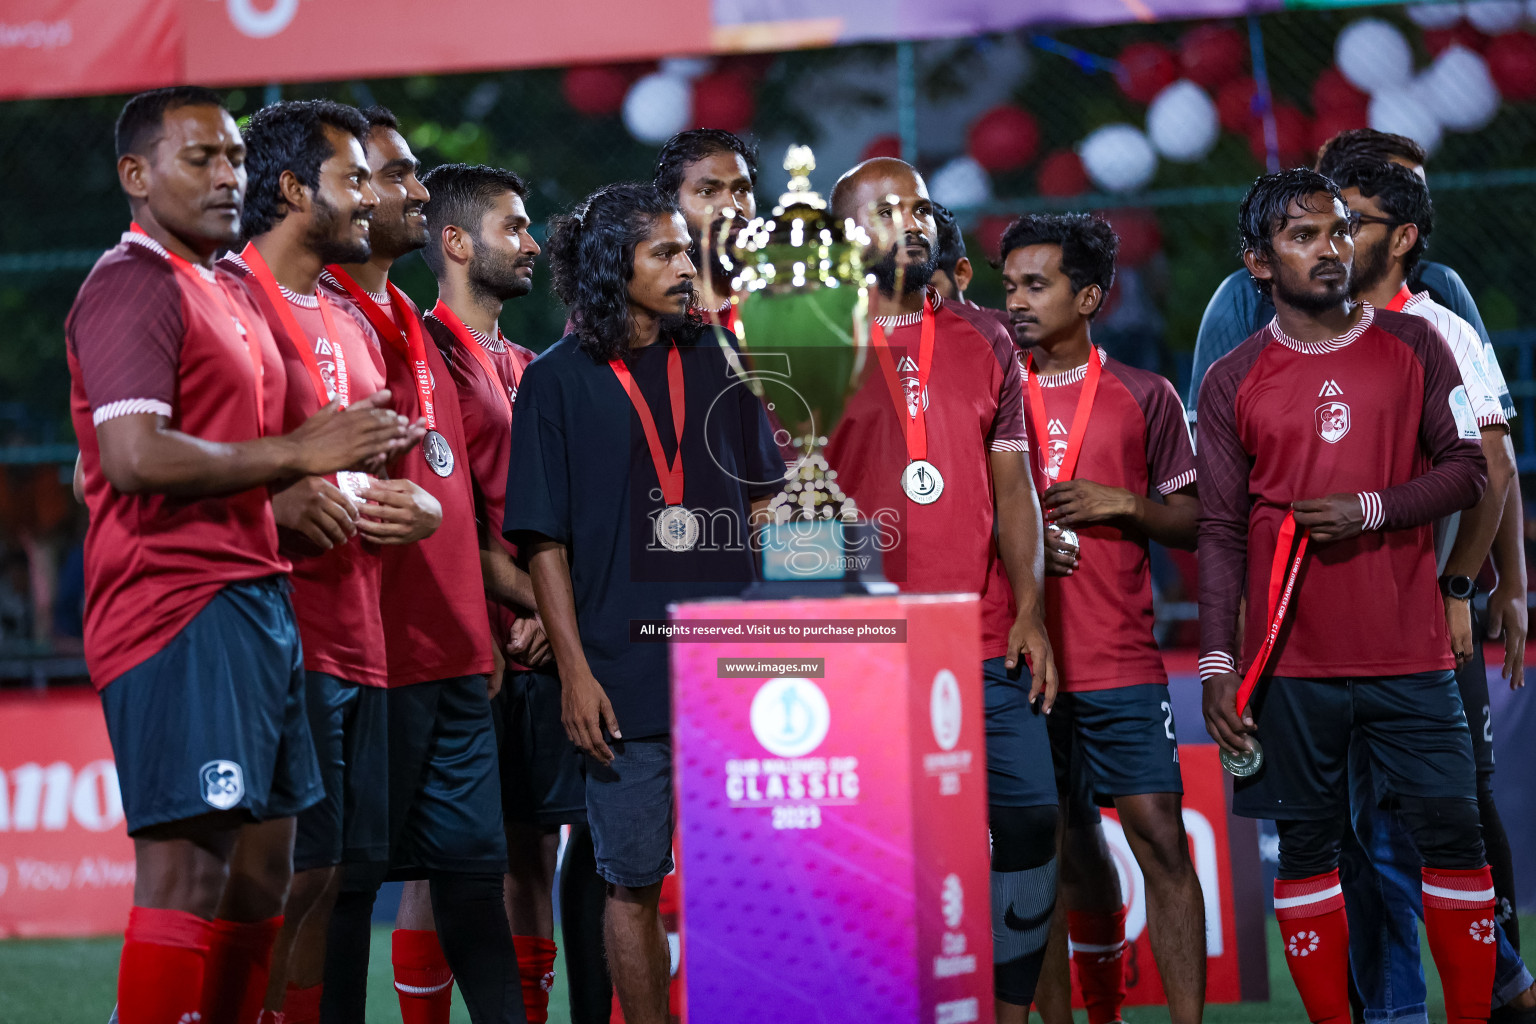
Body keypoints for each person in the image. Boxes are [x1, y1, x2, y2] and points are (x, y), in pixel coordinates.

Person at [69, 86, 409, 1024]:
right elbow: (133, 457)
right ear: (137, 176)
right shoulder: (129, 282)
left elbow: (254, 442)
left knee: (267, 872)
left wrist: (309, 476)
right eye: (200, 158)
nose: (227, 175)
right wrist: (297, 456)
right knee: (186, 868)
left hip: (261, 603)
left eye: (234, 157)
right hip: (176, 605)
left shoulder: (222, 285)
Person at [1198, 168, 1494, 1024]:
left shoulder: (1416, 344)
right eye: (1302, 237)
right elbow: (1218, 531)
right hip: (1293, 663)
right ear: (1259, 262)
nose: (1330, 249)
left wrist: (1370, 509)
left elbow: (1468, 471)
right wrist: (1220, 662)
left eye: (1337, 231)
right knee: (1307, 852)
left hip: (1411, 654)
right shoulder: (1231, 380)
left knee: (1456, 842)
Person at [505, 181, 784, 1024]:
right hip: (621, 677)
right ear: (610, 265)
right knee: (630, 886)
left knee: (746, 883)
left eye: (687, 252)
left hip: (728, 669)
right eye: (664, 252)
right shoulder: (552, 382)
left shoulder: (719, 356)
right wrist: (577, 675)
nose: (685, 267)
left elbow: (767, 498)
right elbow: (542, 543)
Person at [218, 98, 441, 1024]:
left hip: (363, 633)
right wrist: (271, 501)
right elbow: (115, 469)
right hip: (273, 632)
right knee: (265, 879)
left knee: (327, 877)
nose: (370, 200)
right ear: (289, 189)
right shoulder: (224, 297)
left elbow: (392, 476)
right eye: (352, 180)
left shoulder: (351, 320)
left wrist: (419, 507)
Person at [823, 158, 1058, 1024]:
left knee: (1032, 819)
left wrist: (1031, 610)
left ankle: (1004, 1007)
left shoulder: (987, 336)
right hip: (867, 646)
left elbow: (1015, 486)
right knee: (883, 847)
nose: (912, 221)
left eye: (920, 206)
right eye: (887, 210)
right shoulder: (808, 335)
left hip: (986, 636)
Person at [319, 106, 528, 1024]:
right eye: (391, 175)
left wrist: (475, 625)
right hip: (371, 656)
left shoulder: (411, 320)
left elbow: (451, 503)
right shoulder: (321, 316)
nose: (409, 189)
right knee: (347, 885)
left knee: (475, 883)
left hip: (452, 654)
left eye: (407, 174)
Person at [1327, 156, 1536, 1022]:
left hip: (1421, 618)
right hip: (1333, 622)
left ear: (1403, 238)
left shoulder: (1437, 325)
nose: (1337, 240)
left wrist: (1468, 586)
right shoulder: (1310, 326)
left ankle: (1488, 990)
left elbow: (1493, 469)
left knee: (1444, 817)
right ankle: (1485, 989)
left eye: (1355, 222)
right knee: (1358, 833)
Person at [998, 213, 1206, 1024]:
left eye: (1036, 285)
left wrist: (1126, 505)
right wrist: (1017, 545)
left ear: (1088, 297)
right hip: (1018, 657)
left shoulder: (1144, 395)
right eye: (1008, 284)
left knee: (1159, 836)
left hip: (1117, 653)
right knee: (1047, 853)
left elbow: (1195, 520)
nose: (1015, 300)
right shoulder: (989, 388)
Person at [419, 160, 579, 1024]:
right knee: (450, 858)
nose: (532, 242)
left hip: (543, 641)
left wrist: (558, 618)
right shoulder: (425, 351)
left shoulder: (527, 360)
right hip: (469, 645)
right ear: (454, 242)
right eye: (513, 227)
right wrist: (541, 608)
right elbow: (447, 517)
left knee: (534, 847)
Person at [653, 127, 757, 319]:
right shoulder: (642, 319)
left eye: (742, 190)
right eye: (708, 191)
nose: (733, 206)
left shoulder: (776, 299)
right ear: (670, 205)